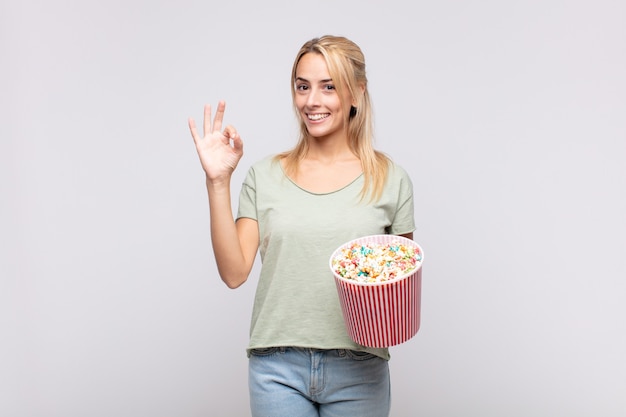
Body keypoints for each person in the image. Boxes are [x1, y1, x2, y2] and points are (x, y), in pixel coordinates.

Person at [188, 35, 416, 417]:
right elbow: (233, 273)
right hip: (277, 367)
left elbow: (396, 295)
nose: (313, 100)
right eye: (303, 86)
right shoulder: (265, 175)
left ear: (356, 93)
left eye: (329, 86)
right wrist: (217, 182)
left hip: (359, 368)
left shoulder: (390, 179)